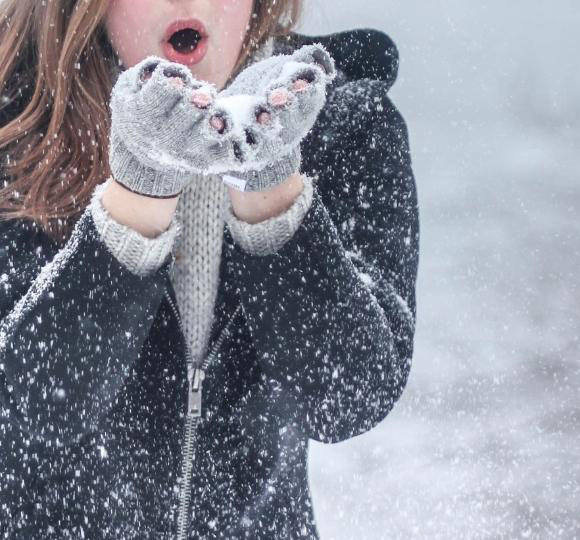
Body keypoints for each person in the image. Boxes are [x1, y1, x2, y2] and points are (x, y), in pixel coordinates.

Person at [0, 1, 419, 538]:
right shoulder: (18, 126)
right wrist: (138, 194)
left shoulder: (344, 126)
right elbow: (36, 406)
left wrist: (271, 187)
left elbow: (348, 399)